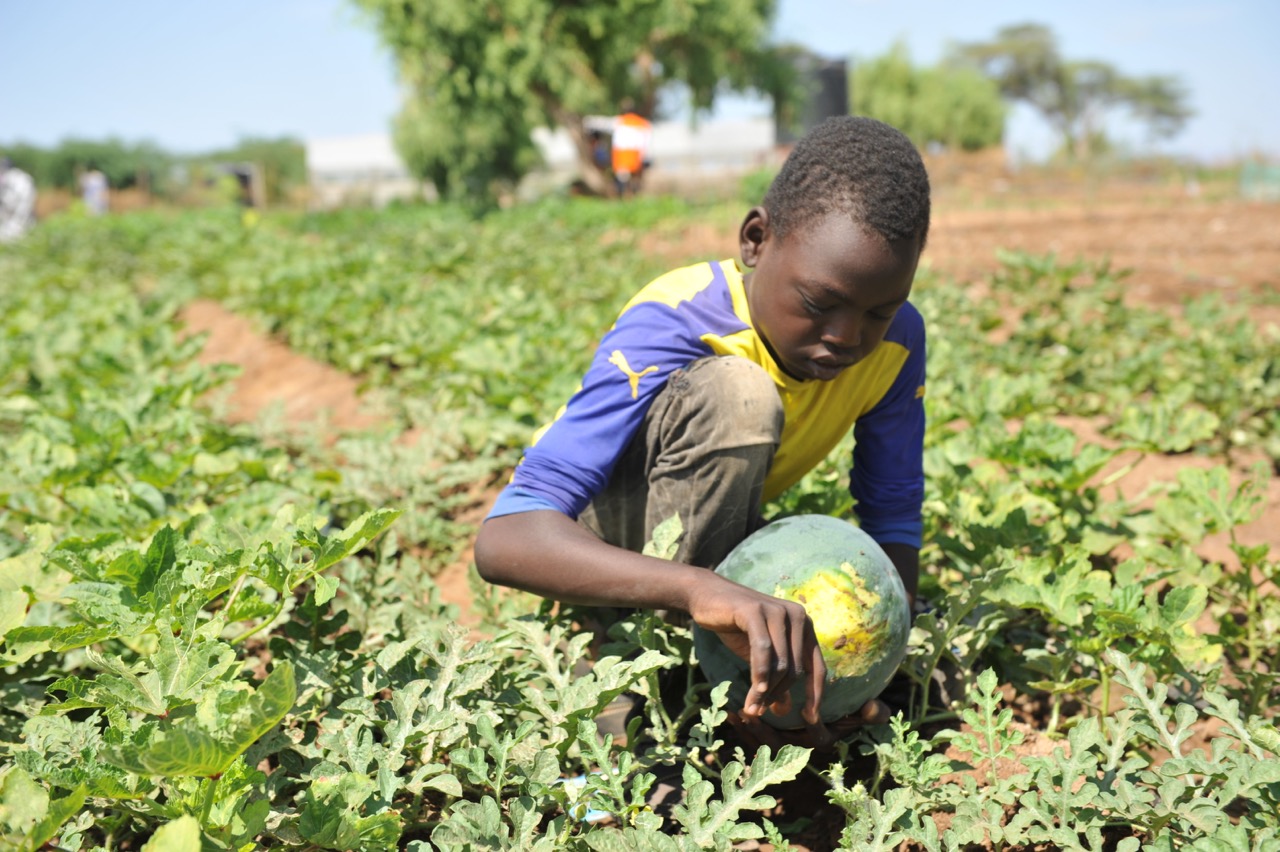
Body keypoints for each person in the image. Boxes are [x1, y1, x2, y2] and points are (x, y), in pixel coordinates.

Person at [475, 116, 930, 748]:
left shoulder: (898, 344)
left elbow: (893, 514)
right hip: (596, 541)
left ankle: (732, 676)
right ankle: (638, 671)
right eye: (819, 304)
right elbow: (505, 538)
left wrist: (874, 670)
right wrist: (699, 589)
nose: (847, 337)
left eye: (878, 311)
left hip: (710, 535)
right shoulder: (680, 317)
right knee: (739, 395)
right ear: (755, 240)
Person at [610, 102, 652, 197]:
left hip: (622, 157)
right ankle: (632, 195)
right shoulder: (642, 123)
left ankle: (627, 196)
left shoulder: (619, 122)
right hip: (636, 156)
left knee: (624, 180)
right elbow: (647, 141)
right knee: (634, 179)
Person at [0, 157, 37, 243]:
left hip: (19, 217)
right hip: (15, 216)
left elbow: (23, 203)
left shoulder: (15, 178)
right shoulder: (11, 177)